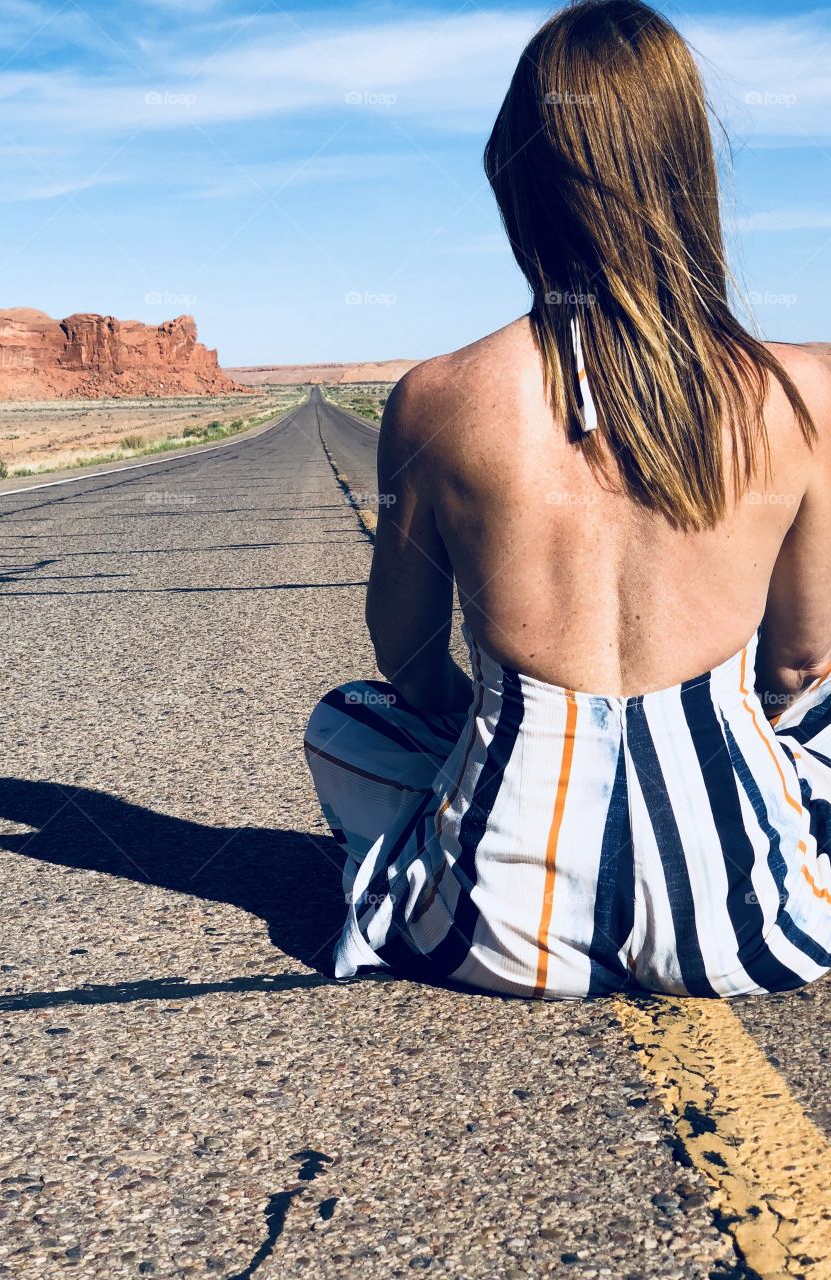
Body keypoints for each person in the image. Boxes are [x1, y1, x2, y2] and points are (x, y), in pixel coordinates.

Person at [304, 0, 831, 999]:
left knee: (348, 717)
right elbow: (801, 664)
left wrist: (469, 731)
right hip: (746, 931)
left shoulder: (437, 398)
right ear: (688, 168)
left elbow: (407, 664)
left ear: (517, 172)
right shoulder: (799, 391)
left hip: (497, 928)